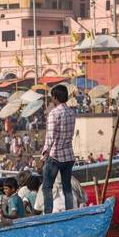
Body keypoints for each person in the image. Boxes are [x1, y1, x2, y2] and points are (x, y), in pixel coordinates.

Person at [41, 84, 76, 214]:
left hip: (55, 155)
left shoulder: (54, 114)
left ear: (55, 98)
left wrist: (44, 154)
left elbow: (50, 137)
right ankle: (69, 212)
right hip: (69, 154)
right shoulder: (71, 113)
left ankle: (48, 214)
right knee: (67, 187)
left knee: (47, 187)